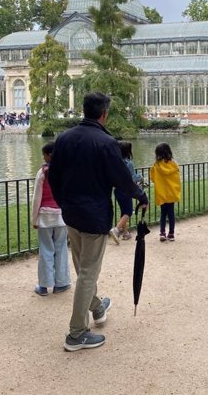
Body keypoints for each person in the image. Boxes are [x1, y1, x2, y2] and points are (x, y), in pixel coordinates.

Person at [48, 92, 149, 352]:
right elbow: (122, 179)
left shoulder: (64, 139)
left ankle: (97, 307)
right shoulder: (106, 143)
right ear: (103, 114)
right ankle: (77, 333)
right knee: (87, 273)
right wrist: (141, 195)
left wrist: (63, 202)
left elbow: (54, 177)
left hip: (71, 214)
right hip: (93, 217)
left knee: (83, 269)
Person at [31, 142, 71, 296]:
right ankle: (61, 283)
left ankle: (44, 285)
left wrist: (34, 219)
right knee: (61, 249)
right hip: (61, 216)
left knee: (46, 250)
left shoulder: (42, 173)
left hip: (45, 217)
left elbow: (37, 198)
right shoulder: (67, 171)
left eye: (43, 154)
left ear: (48, 155)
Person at [109, 141, 143, 244]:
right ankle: (116, 230)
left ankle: (125, 233)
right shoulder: (128, 163)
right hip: (126, 191)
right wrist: (140, 177)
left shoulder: (115, 162)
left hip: (117, 191)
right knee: (128, 211)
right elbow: (132, 177)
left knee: (124, 211)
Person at [150, 143, 182, 242]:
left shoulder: (156, 165)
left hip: (162, 192)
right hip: (171, 192)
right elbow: (177, 176)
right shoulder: (174, 164)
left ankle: (162, 233)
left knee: (163, 214)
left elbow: (153, 178)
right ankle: (171, 234)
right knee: (171, 213)